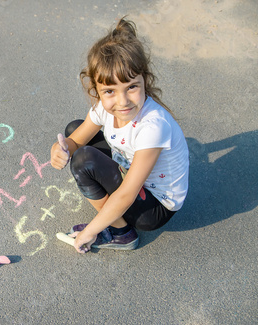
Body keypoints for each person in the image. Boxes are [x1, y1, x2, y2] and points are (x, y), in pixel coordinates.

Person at [50, 17, 189, 254]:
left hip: (153, 206)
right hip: (132, 173)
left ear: (145, 79)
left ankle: (121, 232)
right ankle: (112, 220)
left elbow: (126, 194)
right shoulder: (103, 108)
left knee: (83, 161)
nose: (122, 101)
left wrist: (92, 229)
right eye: (110, 91)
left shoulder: (153, 126)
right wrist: (60, 150)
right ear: (97, 89)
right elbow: (76, 140)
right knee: (75, 129)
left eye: (131, 87)